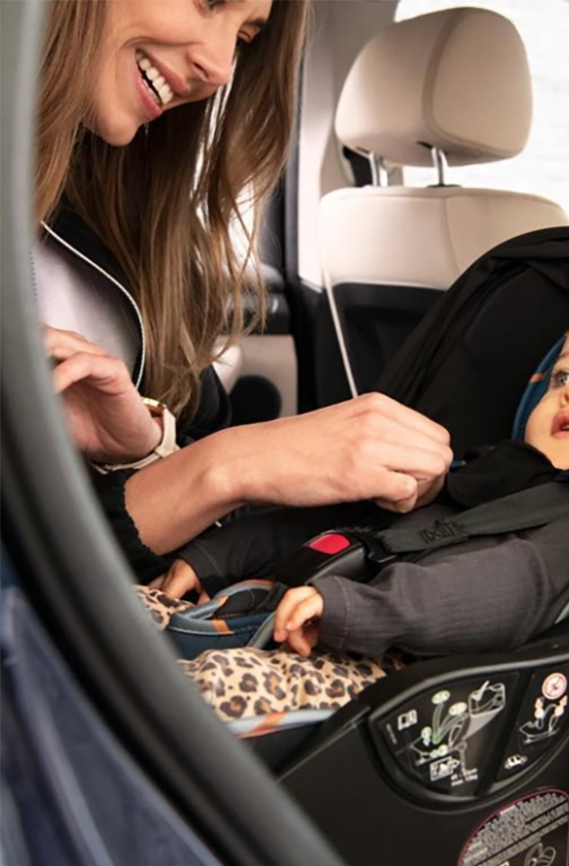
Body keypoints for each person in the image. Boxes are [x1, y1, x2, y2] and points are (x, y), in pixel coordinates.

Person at [35, 0, 453, 583]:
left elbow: (182, 539)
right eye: (209, 2)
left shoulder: (123, 241)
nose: (221, 67)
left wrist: (144, 450)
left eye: (245, 37)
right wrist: (228, 467)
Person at [158, 300, 569, 676]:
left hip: (389, 674)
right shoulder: (490, 474)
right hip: (314, 615)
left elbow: (506, 588)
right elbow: (354, 521)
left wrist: (364, 607)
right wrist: (218, 554)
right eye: (564, 375)